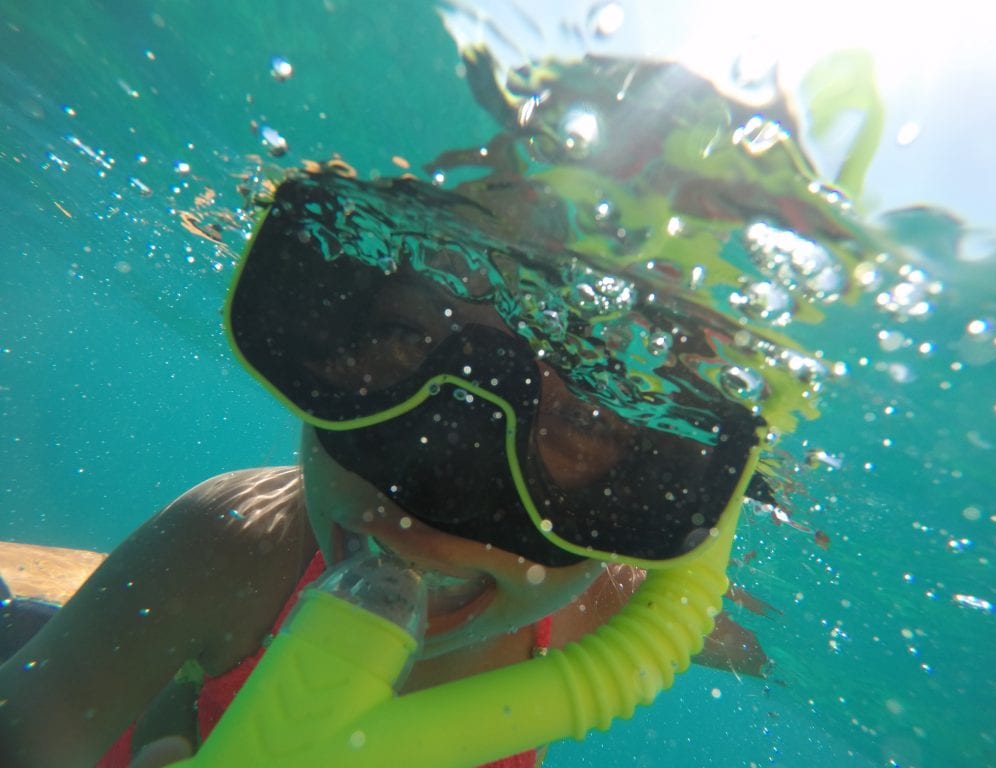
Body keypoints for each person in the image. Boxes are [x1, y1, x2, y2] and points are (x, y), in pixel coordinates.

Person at [0, 157, 766, 767]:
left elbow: (725, 636)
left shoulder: (601, 613)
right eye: (406, 337)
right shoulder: (235, 547)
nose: (434, 485)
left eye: (581, 419)